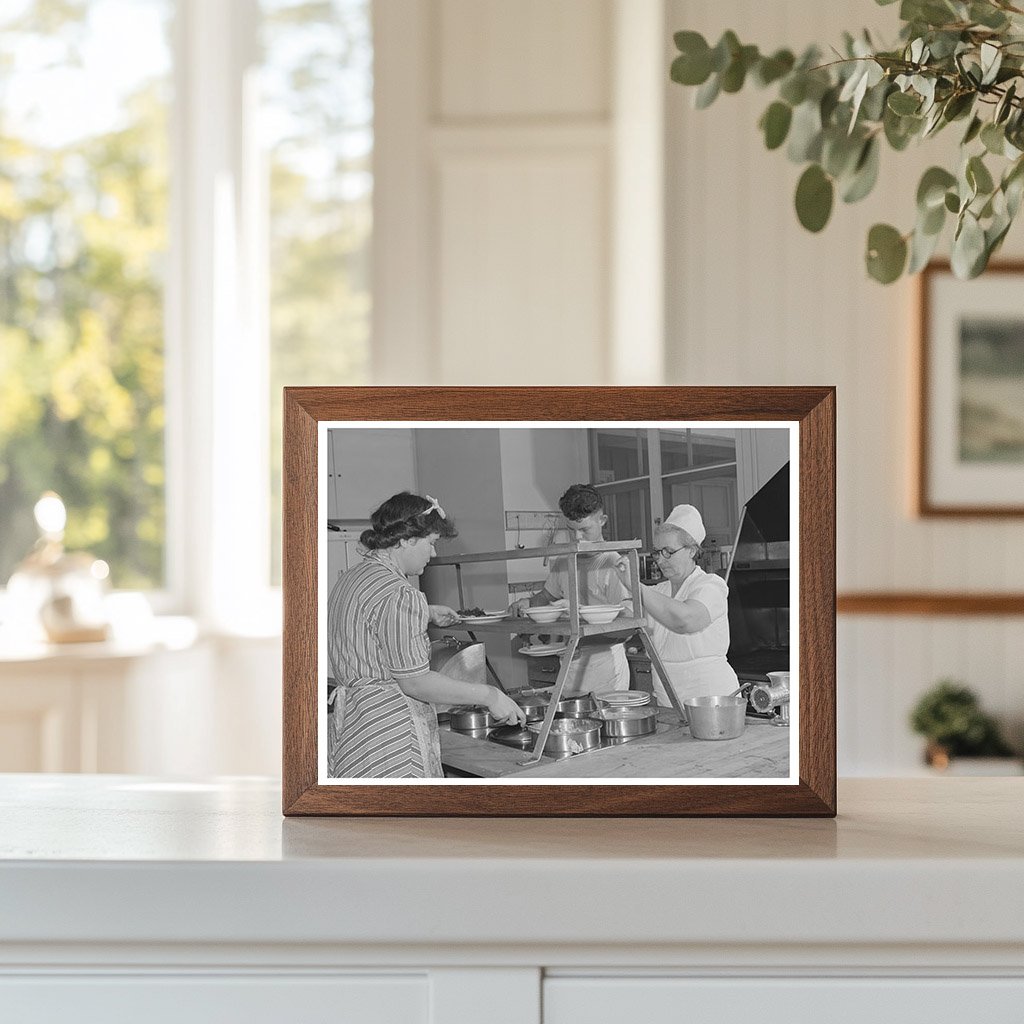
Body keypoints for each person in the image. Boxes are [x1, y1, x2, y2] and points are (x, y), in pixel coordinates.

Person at [327, 491, 526, 778]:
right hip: (392, 738)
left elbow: (370, 623)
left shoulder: (353, 578)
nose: (433, 554)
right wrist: (490, 695)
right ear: (406, 539)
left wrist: (426, 612)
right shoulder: (400, 594)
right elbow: (416, 683)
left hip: (358, 730)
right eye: (430, 543)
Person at [511, 484, 631, 696]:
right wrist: (528, 605)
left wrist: (580, 628)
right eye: (571, 530)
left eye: (585, 530)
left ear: (602, 521)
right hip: (570, 664)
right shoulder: (563, 562)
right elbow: (547, 596)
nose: (577, 539)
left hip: (606, 668)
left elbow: (627, 626)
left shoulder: (613, 564)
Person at [617, 503, 739, 708]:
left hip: (711, 698)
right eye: (657, 552)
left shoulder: (710, 585)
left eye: (668, 552)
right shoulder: (657, 592)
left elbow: (684, 620)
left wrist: (635, 586)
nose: (660, 560)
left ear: (691, 550)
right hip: (668, 698)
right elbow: (622, 622)